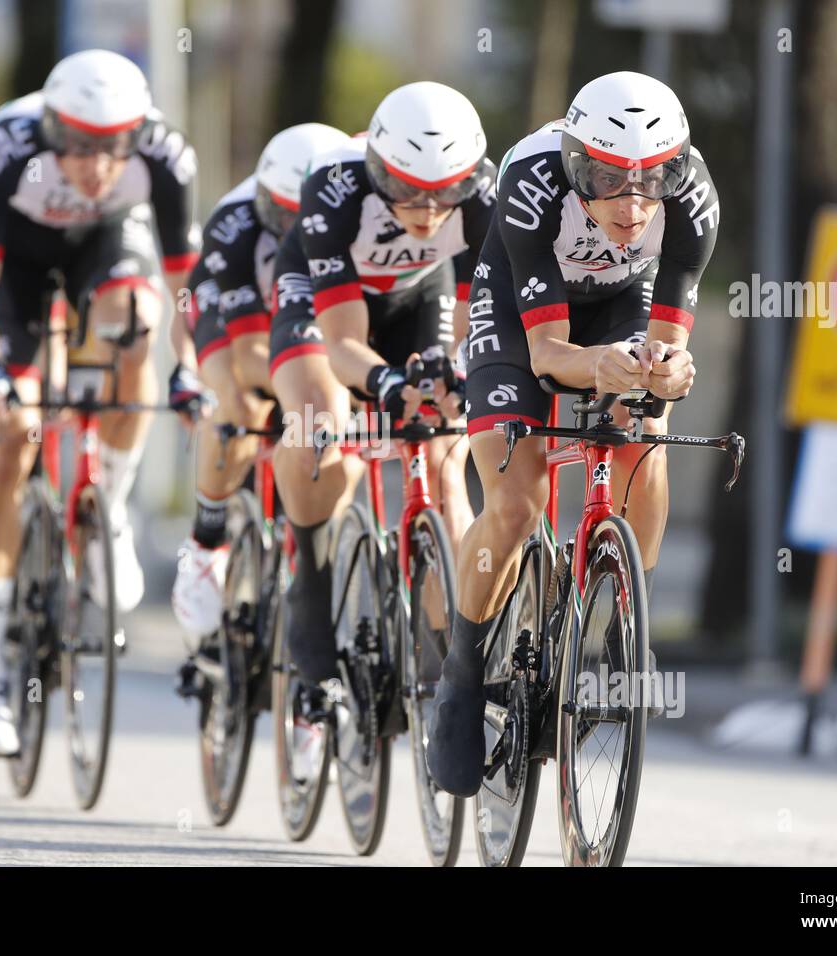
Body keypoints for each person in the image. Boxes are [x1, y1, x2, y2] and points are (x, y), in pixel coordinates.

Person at [427, 71, 718, 797]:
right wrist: (599, 368)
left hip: (623, 301)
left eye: (654, 181)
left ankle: (624, 622)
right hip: (524, 316)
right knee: (516, 502)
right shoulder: (530, 182)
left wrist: (667, 372)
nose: (632, 204)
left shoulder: (694, 204)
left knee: (643, 439)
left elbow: (668, 341)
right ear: (573, 161)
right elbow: (547, 354)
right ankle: (461, 678)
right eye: (607, 179)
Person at [0, 49, 198, 754]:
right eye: (77, 147)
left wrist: (191, 370)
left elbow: (189, 295)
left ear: (138, 134)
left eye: (112, 147)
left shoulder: (166, 157)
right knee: (7, 438)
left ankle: (109, 508)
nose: (93, 166)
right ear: (51, 129)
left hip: (108, 244)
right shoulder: (6, 151)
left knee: (131, 323)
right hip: (17, 269)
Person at [269, 82, 495, 775]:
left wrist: (451, 375)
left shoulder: (484, 197)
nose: (427, 211)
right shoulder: (335, 189)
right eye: (407, 192)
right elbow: (343, 346)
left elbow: (480, 315)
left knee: (448, 456)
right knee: (319, 425)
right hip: (323, 306)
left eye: (443, 194)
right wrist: (387, 383)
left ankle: (447, 657)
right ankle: (309, 580)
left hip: (418, 298)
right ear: (376, 172)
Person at [170, 122, 348, 644]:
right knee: (241, 402)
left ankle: (318, 542)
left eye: (305, 218)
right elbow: (251, 355)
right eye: (282, 215)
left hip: (306, 330)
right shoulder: (235, 222)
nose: (295, 230)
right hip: (233, 317)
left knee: (345, 437)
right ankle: (206, 542)